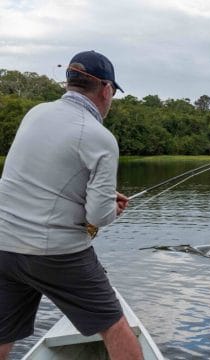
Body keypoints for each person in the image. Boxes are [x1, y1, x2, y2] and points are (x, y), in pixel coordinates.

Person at [0, 50, 143, 360]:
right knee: (115, 327)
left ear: (69, 83)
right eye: (113, 93)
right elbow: (98, 217)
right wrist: (110, 208)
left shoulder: (35, 113)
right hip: (55, 253)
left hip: (5, 247)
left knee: (2, 334)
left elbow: (42, 179)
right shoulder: (99, 136)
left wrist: (99, 197)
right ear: (106, 89)